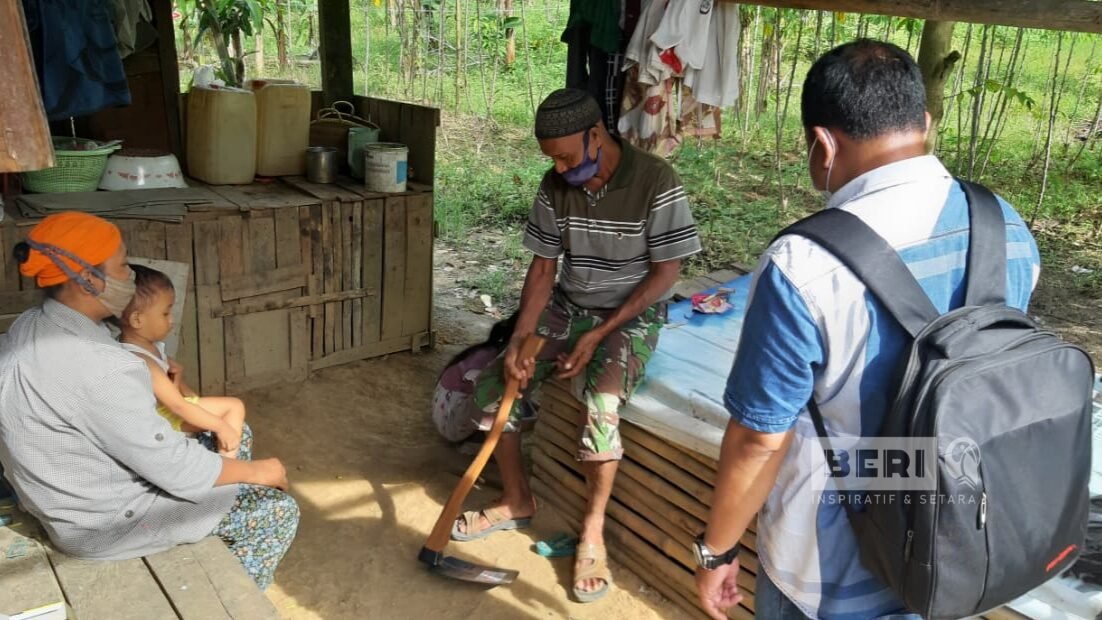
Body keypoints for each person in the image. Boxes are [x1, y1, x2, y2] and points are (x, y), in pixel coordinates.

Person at [694, 40, 1041, 619]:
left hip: (832, 573)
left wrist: (719, 549)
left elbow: (759, 440)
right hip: (963, 541)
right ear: (925, 124)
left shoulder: (802, 264)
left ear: (824, 144)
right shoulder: (1004, 224)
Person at [452, 88, 702, 603]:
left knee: (601, 404)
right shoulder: (555, 186)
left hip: (630, 313)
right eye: (552, 159)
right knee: (500, 381)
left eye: (567, 156)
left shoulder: (657, 182)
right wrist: (523, 335)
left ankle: (592, 532)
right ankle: (518, 499)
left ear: (596, 135)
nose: (561, 168)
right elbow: (544, 267)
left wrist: (599, 335)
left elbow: (666, 275)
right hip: (568, 306)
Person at [0, 212, 300, 590]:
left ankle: (214, 526)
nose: (130, 276)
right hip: (106, 525)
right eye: (123, 266)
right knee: (275, 511)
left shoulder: (31, 325)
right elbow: (173, 469)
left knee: (227, 436)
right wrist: (261, 472)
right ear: (88, 279)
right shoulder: (101, 367)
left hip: (68, 497)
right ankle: (226, 598)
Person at [115, 264, 246, 457]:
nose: (171, 320)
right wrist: (220, 427)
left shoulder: (149, 347)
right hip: (166, 418)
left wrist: (179, 381)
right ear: (137, 320)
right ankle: (229, 468)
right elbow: (177, 405)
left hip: (170, 410)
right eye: (165, 313)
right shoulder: (142, 360)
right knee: (234, 407)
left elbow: (176, 394)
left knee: (216, 408)